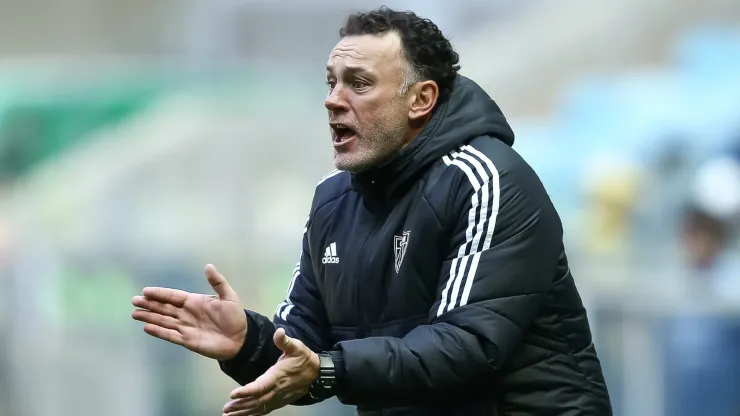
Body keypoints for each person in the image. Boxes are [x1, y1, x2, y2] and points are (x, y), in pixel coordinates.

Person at [132, 7, 612, 415]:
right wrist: (250, 343)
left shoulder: (485, 180)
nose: (333, 100)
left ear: (421, 100)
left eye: (358, 84)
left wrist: (330, 368)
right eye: (331, 82)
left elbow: (465, 347)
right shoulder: (333, 201)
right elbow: (305, 347)